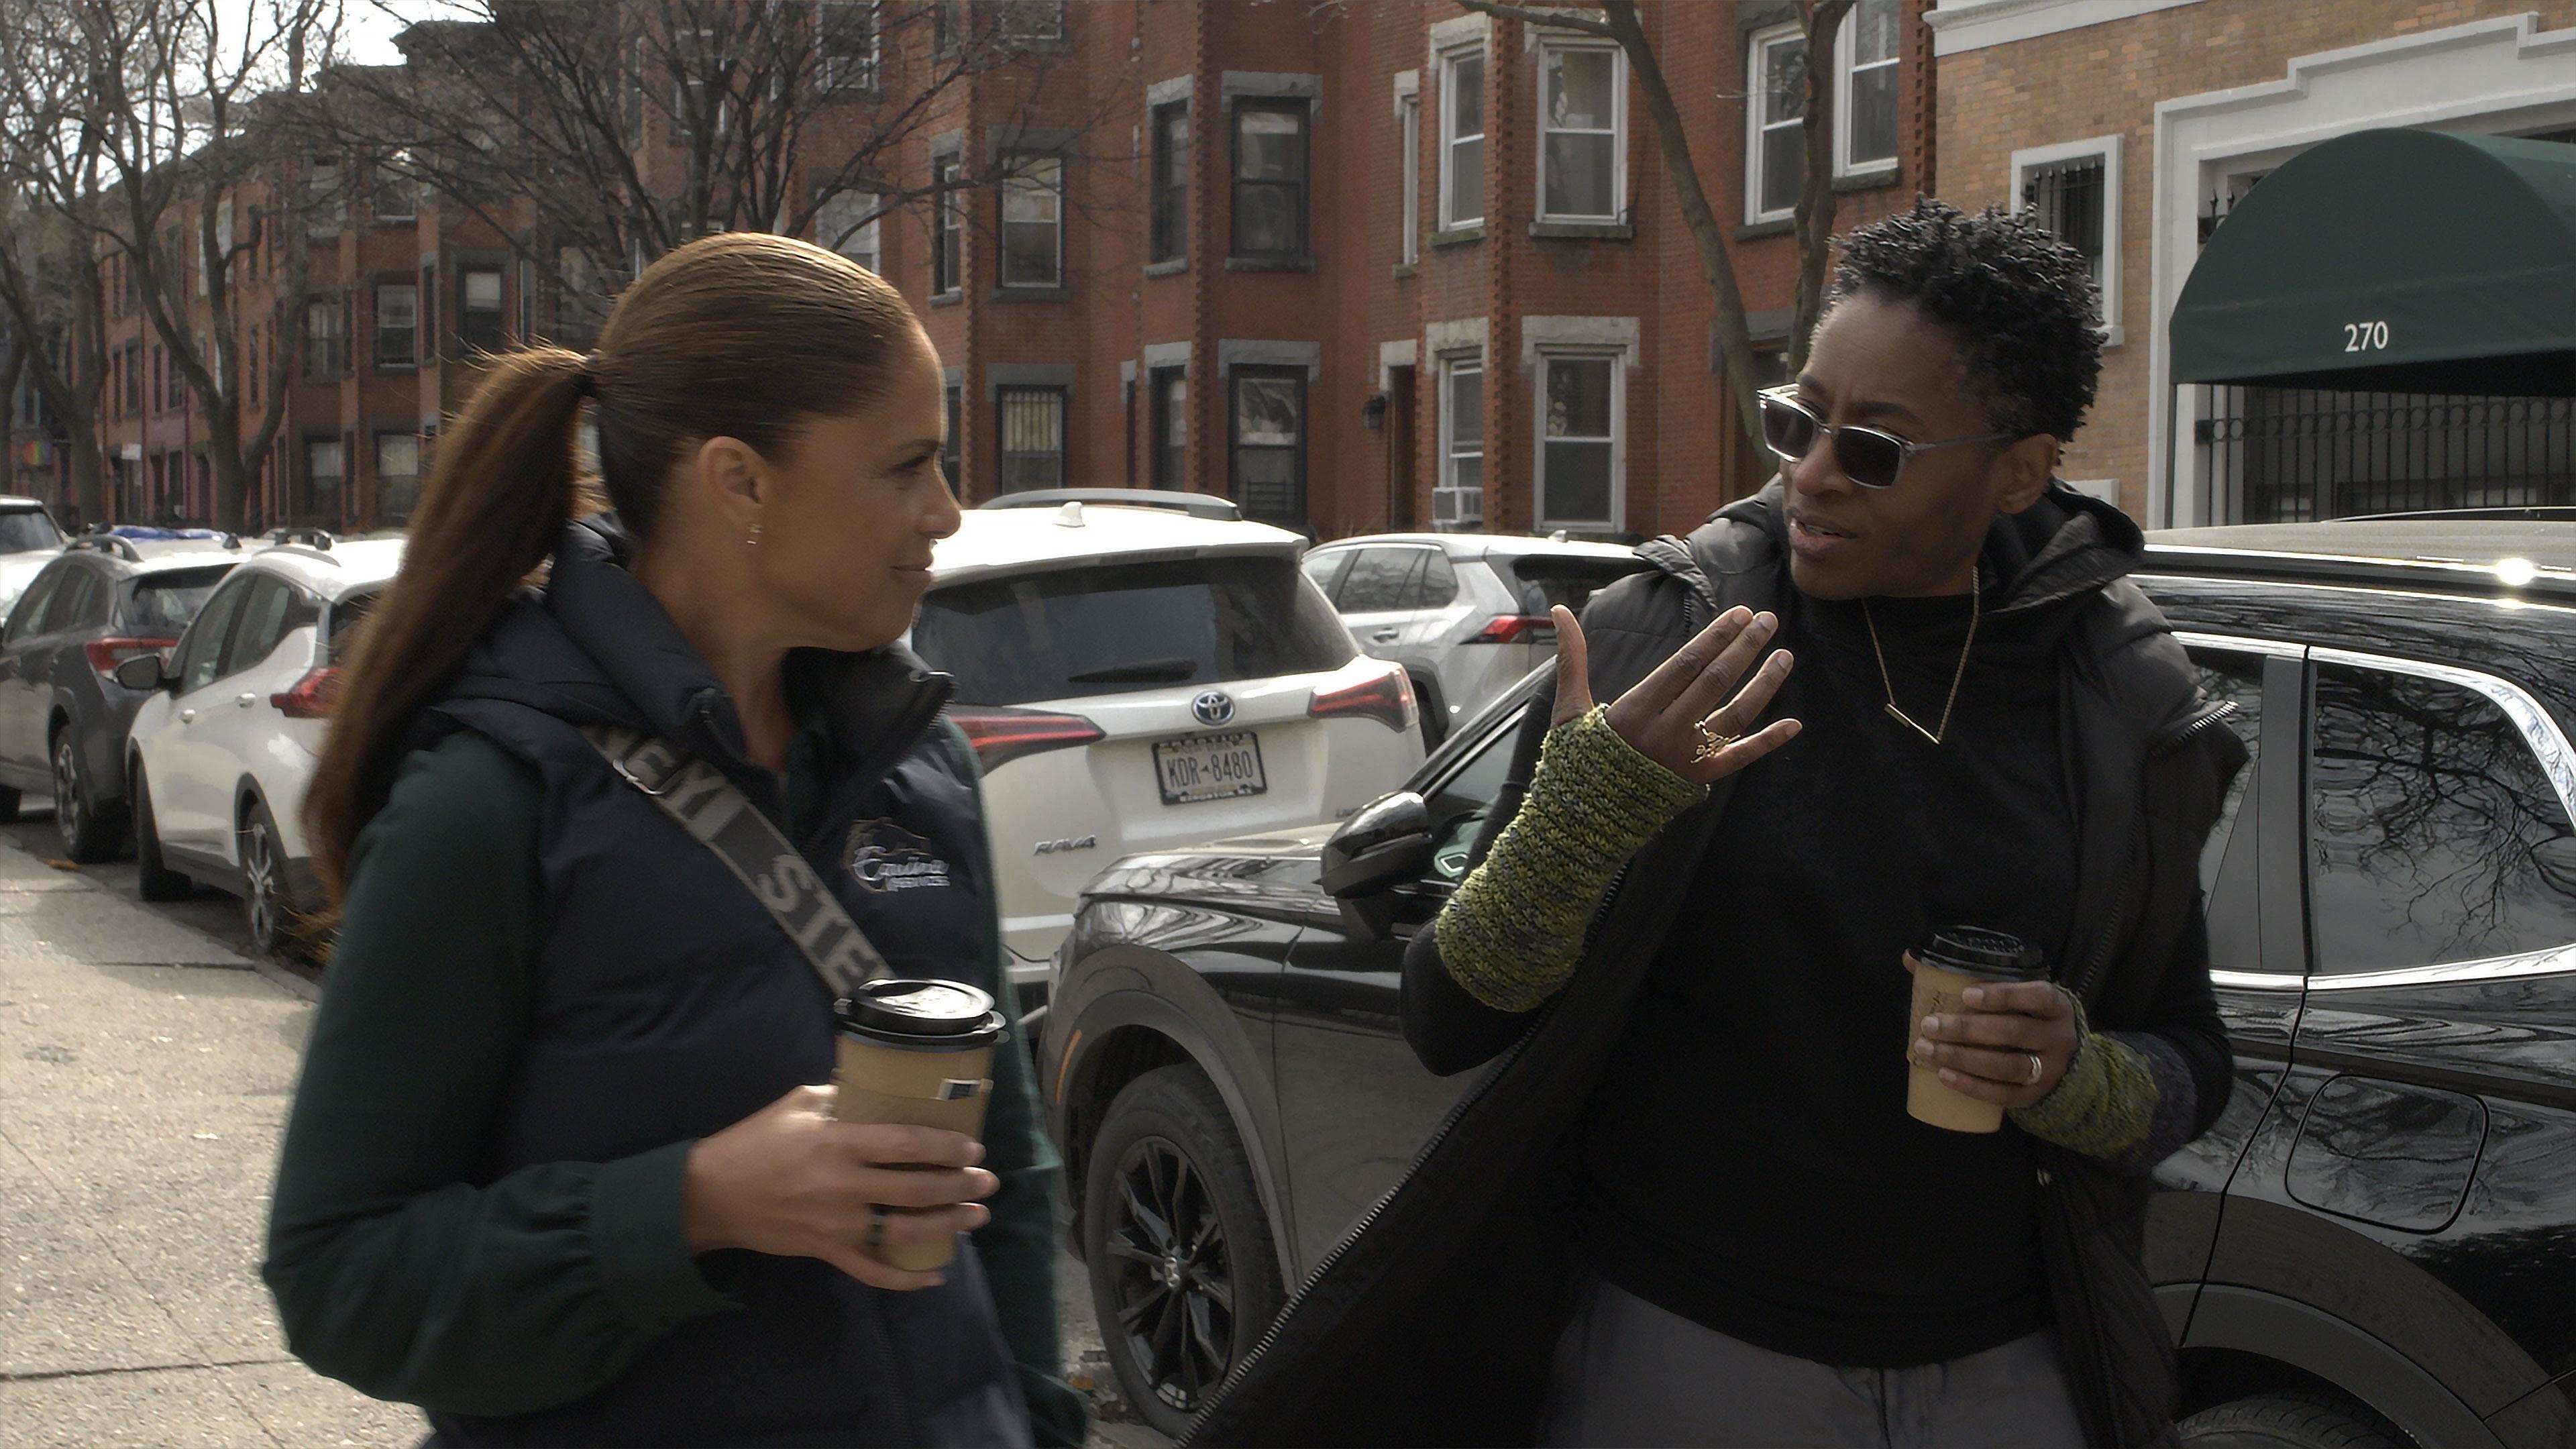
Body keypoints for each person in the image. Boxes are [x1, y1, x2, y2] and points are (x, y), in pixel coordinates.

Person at [1187, 199, 2245, 1449]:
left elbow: (2192, 1059)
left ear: (2019, 471)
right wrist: (1583, 821)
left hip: (2011, 1372)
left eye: (1876, 449)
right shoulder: (1667, 641)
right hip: (1685, 1354)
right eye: (1799, 421)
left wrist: (2079, 1079)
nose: (1812, 473)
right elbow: (1448, 1017)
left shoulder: (2118, 696)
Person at [263, 233, 1083, 1448]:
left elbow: (1002, 1179)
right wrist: (692, 1206)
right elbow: (340, 1276)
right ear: (740, 483)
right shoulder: (491, 801)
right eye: (907, 466)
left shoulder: (921, 767)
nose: (948, 511)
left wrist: (1036, 1425)